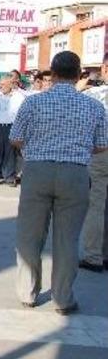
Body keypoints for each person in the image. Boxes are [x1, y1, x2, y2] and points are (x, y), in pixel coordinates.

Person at [10, 51, 108, 315]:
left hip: (37, 171)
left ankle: (27, 292)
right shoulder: (93, 106)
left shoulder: (32, 102)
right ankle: (63, 299)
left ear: (52, 74)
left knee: (29, 236)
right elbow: (101, 145)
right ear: (78, 75)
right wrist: (77, 149)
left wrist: (36, 148)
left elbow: (16, 138)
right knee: (67, 239)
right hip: (75, 174)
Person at [76, 53, 108, 273]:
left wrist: (78, 87)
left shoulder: (95, 94)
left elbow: (66, 101)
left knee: (96, 203)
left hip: (101, 151)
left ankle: (93, 255)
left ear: (105, 68)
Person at [0, 74, 24, 186]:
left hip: (12, 126)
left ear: (10, 84)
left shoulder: (19, 97)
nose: (0, 86)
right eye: (0, 84)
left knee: (10, 152)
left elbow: (22, 115)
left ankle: (9, 177)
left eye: (3, 84)